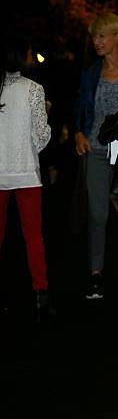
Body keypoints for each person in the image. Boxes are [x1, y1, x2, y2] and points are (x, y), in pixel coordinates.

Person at [74, 13, 118, 300]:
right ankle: (95, 275)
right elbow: (80, 109)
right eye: (94, 37)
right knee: (97, 214)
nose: (97, 42)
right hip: (96, 150)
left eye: (102, 36)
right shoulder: (90, 73)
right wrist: (79, 133)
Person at [0, 34, 51, 316]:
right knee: (33, 236)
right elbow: (41, 136)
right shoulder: (33, 89)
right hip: (26, 173)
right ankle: (40, 295)